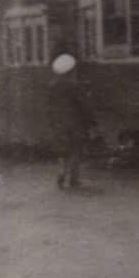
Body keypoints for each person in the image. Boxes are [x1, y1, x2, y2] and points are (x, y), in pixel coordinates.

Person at [49, 53, 96, 190]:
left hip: (58, 123)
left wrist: (52, 122)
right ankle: (74, 180)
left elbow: (48, 107)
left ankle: (61, 174)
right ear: (71, 70)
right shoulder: (74, 86)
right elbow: (84, 106)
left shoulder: (52, 86)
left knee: (63, 151)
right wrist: (91, 123)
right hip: (75, 123)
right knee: (76, 150)